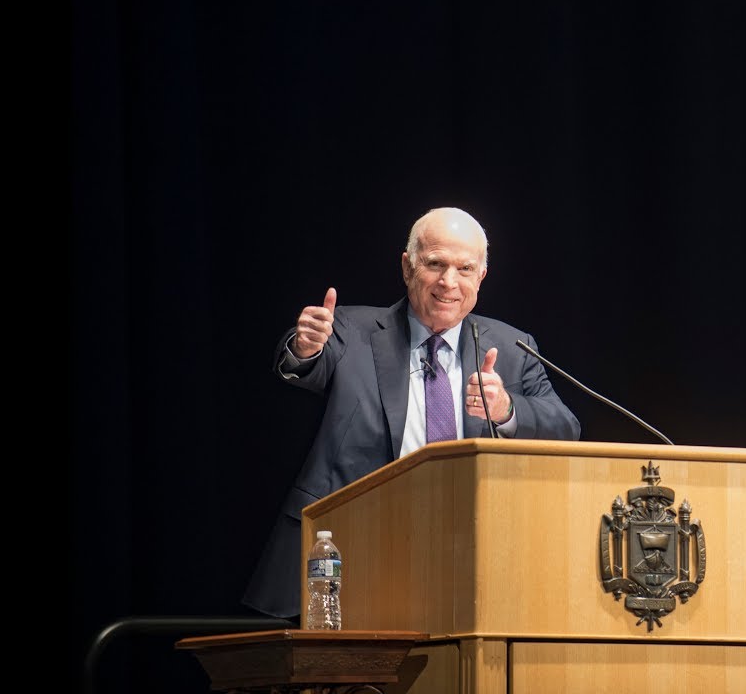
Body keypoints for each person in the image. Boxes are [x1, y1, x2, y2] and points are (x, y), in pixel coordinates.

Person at [243, 206, 581, 619]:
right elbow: (306, 366)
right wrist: (305, 346)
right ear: (407, 267)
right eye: (435, 264)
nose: (448, 282)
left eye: (464, 268)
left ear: (482, 277)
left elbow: (565, 429)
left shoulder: (512, 348)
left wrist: (507, 408)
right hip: (352, 544)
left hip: (467, 555)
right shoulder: (352, 330)